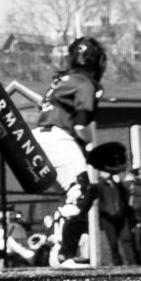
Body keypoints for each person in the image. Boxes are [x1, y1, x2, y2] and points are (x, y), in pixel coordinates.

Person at [34, 37, 108, 266]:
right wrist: (90, 144)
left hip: (39, 136)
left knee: (70, 197)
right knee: (82, 192)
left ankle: (58, 244)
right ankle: (62, 253)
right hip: (58, 137)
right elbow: (81, 125)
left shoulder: (61, 81)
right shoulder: (84, 83)